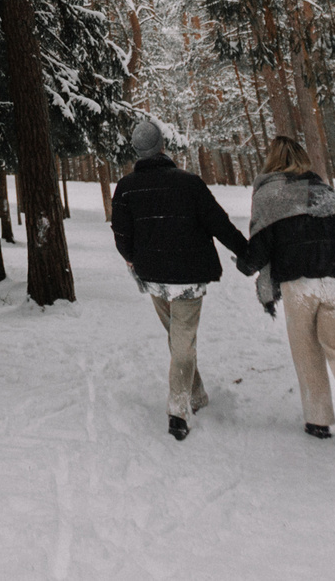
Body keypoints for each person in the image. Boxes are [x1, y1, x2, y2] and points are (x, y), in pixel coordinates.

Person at [236, 135, 335, 447]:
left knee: (307, 352)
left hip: (299, 284)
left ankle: (318, 421)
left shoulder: (269, 194)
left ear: (272, 161)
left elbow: (261, 245)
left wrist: (246, 264)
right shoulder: (326, 192)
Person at [111, 115, 251, 441]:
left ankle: (197, 395)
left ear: (137, 151)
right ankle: (178, 410)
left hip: (153, 277)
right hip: (187, 277)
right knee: (183, 339)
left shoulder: (127, 188)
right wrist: (246, 253)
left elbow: (121, 234)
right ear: (162, 146)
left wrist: (132, 260)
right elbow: (220, 224)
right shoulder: (189, 182)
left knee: (178, 339)